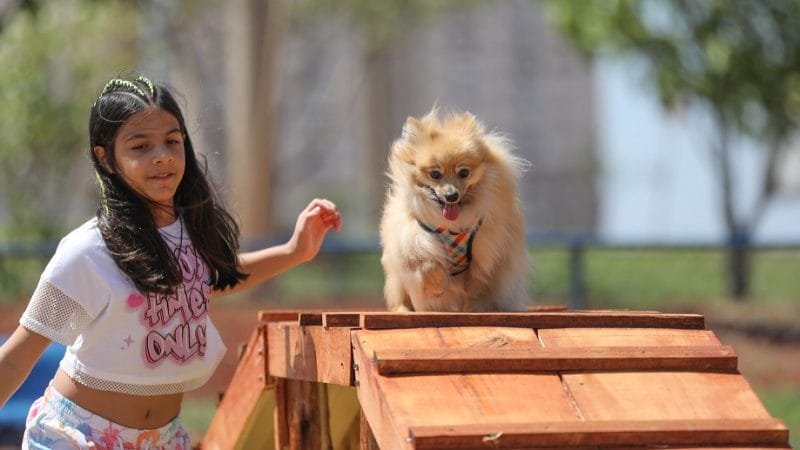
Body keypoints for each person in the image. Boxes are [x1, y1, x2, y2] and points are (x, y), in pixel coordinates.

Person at [0, 75, 342, 449]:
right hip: (79, 437)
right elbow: (18, 356)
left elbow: (211, 280)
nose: (161, 155)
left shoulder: (190, 233)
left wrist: (295, 251)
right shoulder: (86, 252)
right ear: (106, 158)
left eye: (172, 141)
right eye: (140, 145)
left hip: (164, 439)